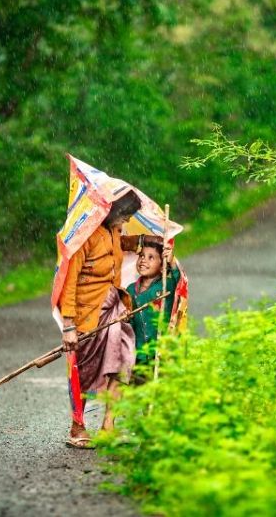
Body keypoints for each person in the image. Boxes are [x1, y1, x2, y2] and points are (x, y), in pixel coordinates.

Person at [58, 190, 163, 448]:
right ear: (113, 212)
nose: (125, 222)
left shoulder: (114, 231)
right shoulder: (85, 236)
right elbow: (69, 281)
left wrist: (150, 241)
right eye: (125, 217)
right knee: (84, 370)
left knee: (124, 357)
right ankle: (77, 427)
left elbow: (122, 243)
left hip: (114, 309)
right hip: (86, 315)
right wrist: (69, 325)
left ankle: (108, 426)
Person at [127, 236, 180, 385]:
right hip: (140, 356)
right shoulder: (131, 290)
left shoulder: (167, 285)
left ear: (162, 265)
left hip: (162, 353)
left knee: (162, 396)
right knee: (144, 396)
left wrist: (172, 261)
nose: (144, 260)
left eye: (151, 257)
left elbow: (182, 284)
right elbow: (128, 320)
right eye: (142, 256)